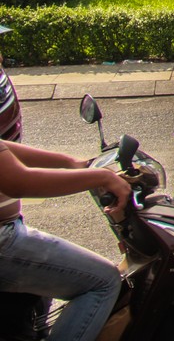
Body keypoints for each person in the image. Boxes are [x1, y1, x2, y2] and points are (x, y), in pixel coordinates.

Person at [0, 138, 130, 341]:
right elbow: (20, 182)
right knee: (103, 281)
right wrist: (102, 178)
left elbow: (4, 150)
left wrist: (69, 162)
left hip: (9, 230)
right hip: (3, 239)